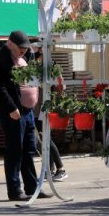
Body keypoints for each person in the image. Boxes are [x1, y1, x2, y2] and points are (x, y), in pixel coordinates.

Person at [0, 30, 52, 201]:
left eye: (26, 47)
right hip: (13, 112)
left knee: (28, 149)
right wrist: (11, 108)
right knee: (15, 151)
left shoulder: (25, 55)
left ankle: (32, 187)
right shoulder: (0, 60)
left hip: (27, 111)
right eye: (20, 48)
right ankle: (14, 190)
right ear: (10, 44)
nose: (23, 50)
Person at [31, 43, 68, 182]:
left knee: (46, 139)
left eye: (34, 49)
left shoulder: (50, 67)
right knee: (43, 139)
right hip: (36, 108)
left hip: (44, 108)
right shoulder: (34, 66)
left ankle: (60, 168)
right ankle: (49, 170)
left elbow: (61, 87)